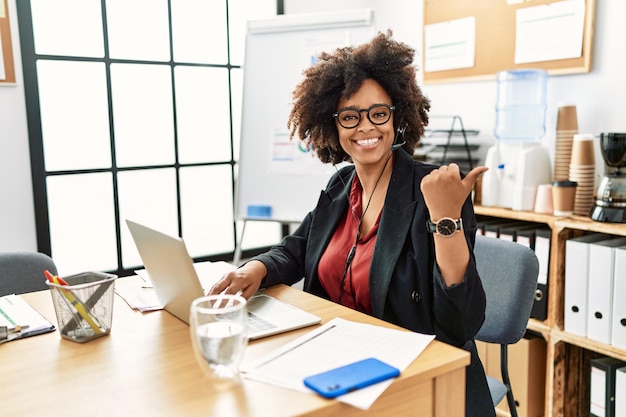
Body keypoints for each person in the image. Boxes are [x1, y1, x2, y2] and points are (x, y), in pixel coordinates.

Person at [210, 31, 494, 417]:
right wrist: (256, 268)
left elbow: (461, 324)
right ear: (333, 124)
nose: (366, 127)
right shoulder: (340, 186)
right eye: (350, 116)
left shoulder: (433, 190)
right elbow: (298, 248)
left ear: (397, 116)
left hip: (413, 380)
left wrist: (446, 219)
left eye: (379, 113)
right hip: (337, 363)